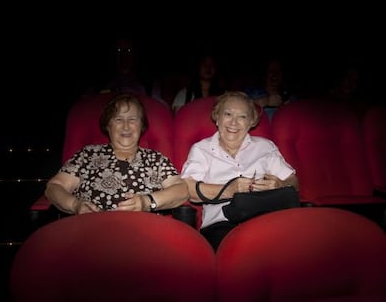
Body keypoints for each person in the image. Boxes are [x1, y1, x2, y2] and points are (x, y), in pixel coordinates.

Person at [180, 91, 299, 251]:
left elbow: (294, 182)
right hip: (221, 225)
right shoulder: (202, 149)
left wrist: (280, 184)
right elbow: (188, 189)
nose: (233, 123)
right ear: (217, 117)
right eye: (228, 114)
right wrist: (229, 190)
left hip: (267, 220)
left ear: (251, 122)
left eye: (242, 117)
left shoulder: (265, 147)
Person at [44, 92, 188, 214]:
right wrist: (75, 205)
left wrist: (146, 202)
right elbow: (54, 187)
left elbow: (181, 190)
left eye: (132, 119)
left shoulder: (156, 159)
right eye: (118, 119)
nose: (126, 126)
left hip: (145, 233)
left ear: (141, 125)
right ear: (108, 125)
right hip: (92, 231)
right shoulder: (87, 155)